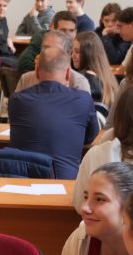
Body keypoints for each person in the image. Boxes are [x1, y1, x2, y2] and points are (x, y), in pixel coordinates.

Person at [8, 46, 99, 179]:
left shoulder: (16, 100)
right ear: (68, 73)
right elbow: (91, 136)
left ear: (37, 72)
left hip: (22, 180)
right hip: (65, 181)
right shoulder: (83, 99)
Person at [15, 28, 92, 94]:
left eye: (54, 50)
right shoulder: (26, 79)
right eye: (45, 48)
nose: (47, 53)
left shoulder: (78, 83)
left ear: (67, 55)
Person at [17, 10, 78, 76]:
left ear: (76, 32)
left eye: (71, 31)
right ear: (52, 28)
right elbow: (24, 63)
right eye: (63, 30)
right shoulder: (42, 38)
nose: (67, 35)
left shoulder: (77, 45)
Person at [72, 30, 118, 108]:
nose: (72, 56)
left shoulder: (80, 80)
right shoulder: (110, 79)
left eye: (77, 51)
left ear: (88, 53)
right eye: (72, 51)